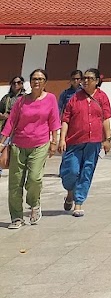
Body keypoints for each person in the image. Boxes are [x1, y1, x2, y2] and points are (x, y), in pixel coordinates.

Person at [0, 69, 59, 229]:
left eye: (40, 79)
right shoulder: (21, 101)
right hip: (18, 144)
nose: (37, 81)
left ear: (45, 82)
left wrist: (55, 141)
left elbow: (54, 120)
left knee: (34, 179)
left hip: (40, 144)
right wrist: (2, 142)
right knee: (15, 183)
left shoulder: (50, 99)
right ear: (30, 82)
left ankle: (34, 203)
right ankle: (17, 218)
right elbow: (11, 122)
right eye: (34, 78)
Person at [59, 68, 111, 218]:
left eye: (89, 78)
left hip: (93, 141)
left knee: (87, 171)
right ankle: (70, 192)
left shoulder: (102, 97)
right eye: (84, 78)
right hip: (74, 141)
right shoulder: (74, 98)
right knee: (71, 171)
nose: (85, 81)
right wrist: (62, 138)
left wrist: (107, 139)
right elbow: (66, 119)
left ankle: (78, 203)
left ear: (96, 81)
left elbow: (106, 118)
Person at [0, 76, 25, 177]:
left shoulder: (25, 98)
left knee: (17, 152)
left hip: (19, 129)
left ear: (22, 84)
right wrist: (2, 115)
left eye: (18, 82)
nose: (16, 85)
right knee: (1, 149)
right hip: (6, 128)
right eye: (14, 83)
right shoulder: (6, 98)